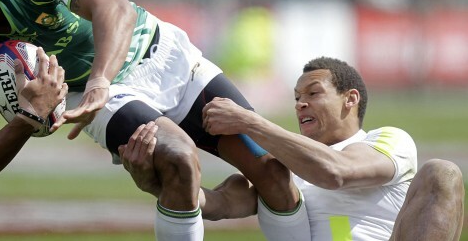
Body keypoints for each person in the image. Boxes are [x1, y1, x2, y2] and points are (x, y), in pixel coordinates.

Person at [0, 0, 305, 240]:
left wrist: (100, 77)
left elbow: (116, 8)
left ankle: (215, 204)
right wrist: (28, 120)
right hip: (99, 100)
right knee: (179, 161)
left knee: (272, 171)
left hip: (159, 52)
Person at [121, 56, 465, 240]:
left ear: (350, 100)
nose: (300, 105)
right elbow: (221, 204)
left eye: (313, 94)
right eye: (297, 98)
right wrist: (160, 183)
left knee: (442, 173)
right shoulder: (280, 165)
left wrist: (249, 121)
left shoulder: (387, 140)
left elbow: (336, 172)